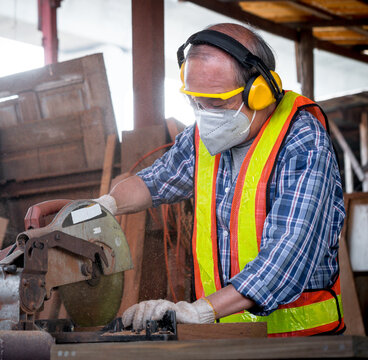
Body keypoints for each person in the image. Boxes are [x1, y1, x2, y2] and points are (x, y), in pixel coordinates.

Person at [93, 23, 346, 337]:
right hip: (227, 337)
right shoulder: (204, 136)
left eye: (216, 103)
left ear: (260, 91)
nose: (205, 115)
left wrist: (196, 311)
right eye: (196, 102)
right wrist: (99, 208)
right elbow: (155, 181)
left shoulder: (302, 140)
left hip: (301, 341)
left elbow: (286, 257)